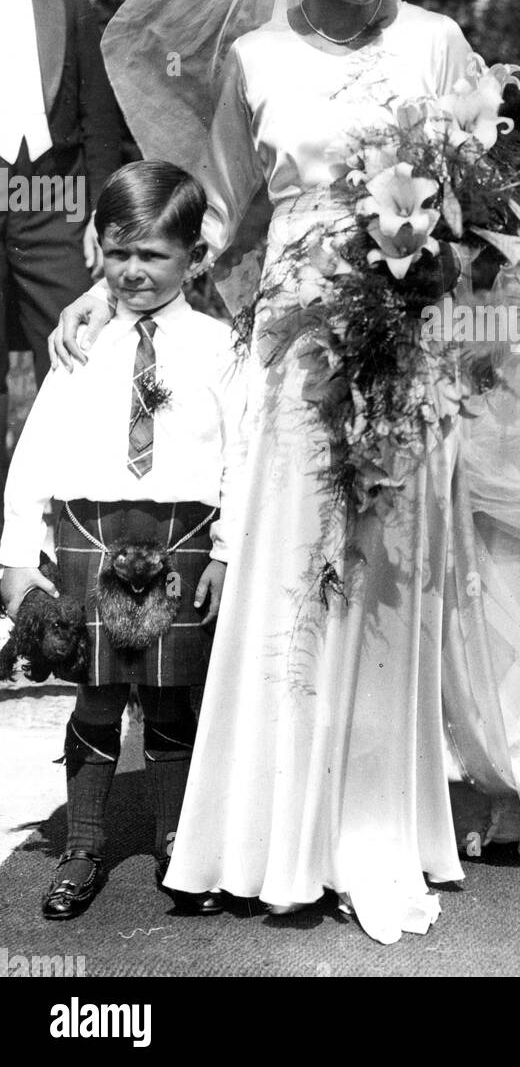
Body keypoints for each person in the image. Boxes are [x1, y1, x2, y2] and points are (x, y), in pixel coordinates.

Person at [50, 0, 520, 944]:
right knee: (292, 583)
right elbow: (222, 217)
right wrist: (111, 291)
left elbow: (480, 204)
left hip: (404, 355)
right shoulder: (255, 57)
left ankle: (374, 821)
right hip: (291, 355)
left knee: (386, 590)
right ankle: (276, 833)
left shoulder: (436, 45)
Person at [0, 161, 245, 919]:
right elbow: (33, 453)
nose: (134, 271)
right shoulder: (83, 345)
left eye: (154, 255)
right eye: (119, 252)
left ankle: (180, 843)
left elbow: (243, 456)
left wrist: (229, 551)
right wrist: (14, 557)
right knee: (98, 698)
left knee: (171, 702)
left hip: (181, 537)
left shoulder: (220, 346)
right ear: (98, 250)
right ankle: (83, 845)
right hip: (90, 531)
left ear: (193, 258)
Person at [0, 0, 125, 495]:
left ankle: (74, 522)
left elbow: (100, 121)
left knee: (77, 356)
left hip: (54, 202)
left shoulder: (68, 5)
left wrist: (103, 216)